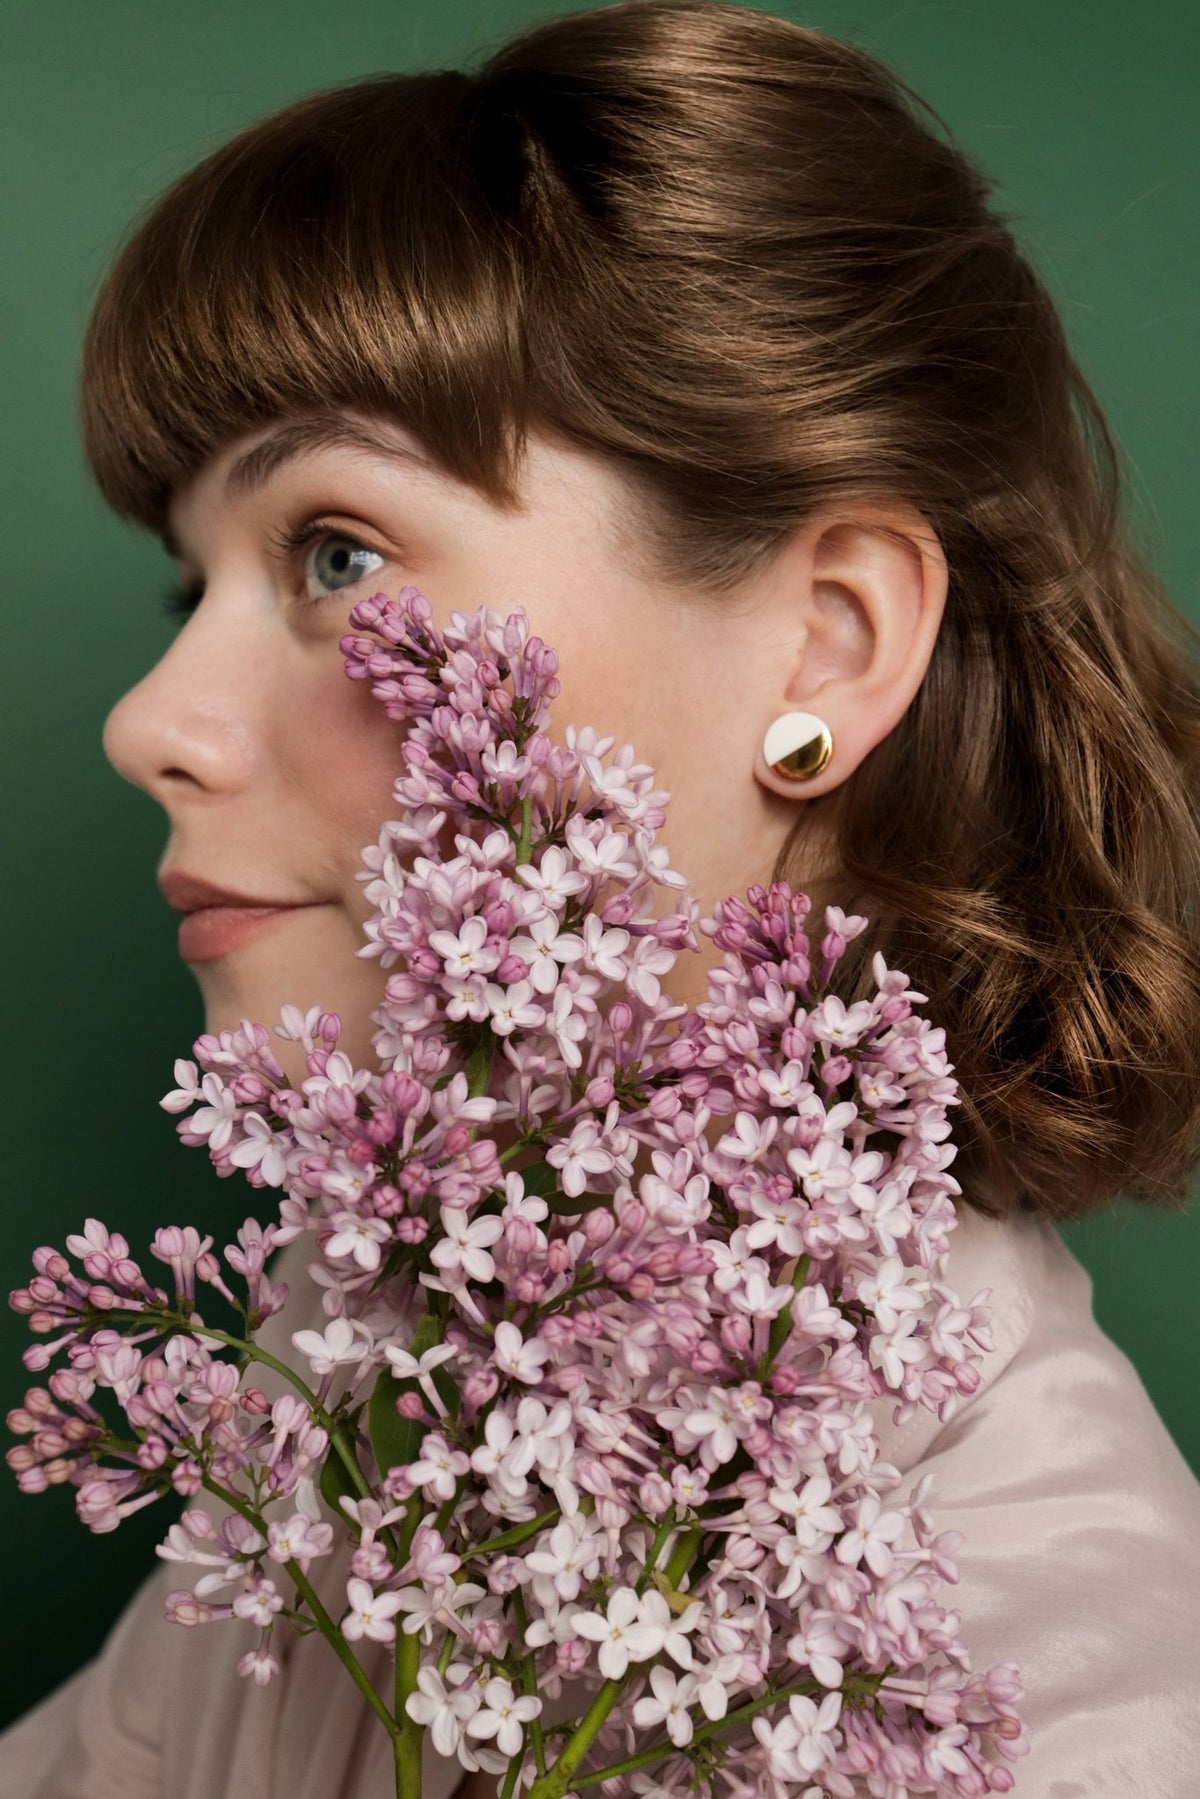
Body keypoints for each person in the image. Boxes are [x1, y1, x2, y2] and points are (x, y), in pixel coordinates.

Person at [5, 1, 1200, 1792]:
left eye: (338, 553)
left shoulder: (1052, 1687)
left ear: (829, 638)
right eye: (195, 591)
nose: (147, 725)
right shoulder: (348, 1356)